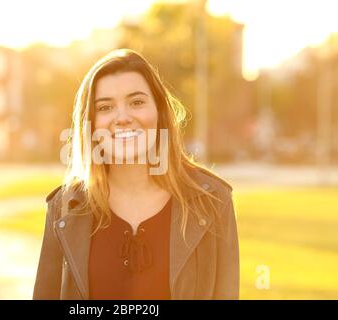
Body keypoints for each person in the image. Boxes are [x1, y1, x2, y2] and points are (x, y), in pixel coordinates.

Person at [32, 49, 239, 300]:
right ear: (91, 123)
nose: (122, 118)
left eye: (137, 102)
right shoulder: (64, 208)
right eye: (106, 107)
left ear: (160, 111)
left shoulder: (213, 201)